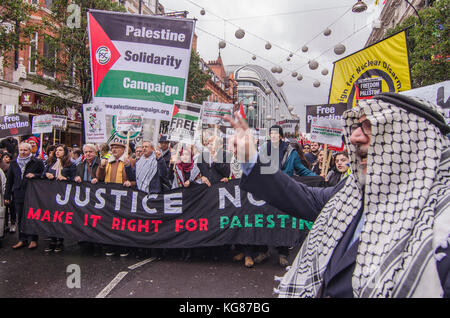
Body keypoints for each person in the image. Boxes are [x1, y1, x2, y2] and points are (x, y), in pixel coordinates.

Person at [226, 93, 450, 298]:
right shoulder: (350, 192)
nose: (354, 137)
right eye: (356, 127)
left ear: (410, 139)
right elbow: (302, 196)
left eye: (368, 127)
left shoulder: (442, 227)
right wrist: (251, 158)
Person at [255, 125, 317, 267]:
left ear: (281, 136)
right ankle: (263, 251)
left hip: (284, 191)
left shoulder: (291, 152)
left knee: (283, 221)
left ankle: (283, 253)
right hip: (268, 191)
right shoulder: (264, 149)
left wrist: (318, 177)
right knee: (264, 221)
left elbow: (301, 170)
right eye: (271, 134)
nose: (273, 136)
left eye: (276, 134)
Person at [96, 142, 135, 257]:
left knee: (122, 222)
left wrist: (130, 182)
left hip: (123, 197)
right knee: (110, 221)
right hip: (109, 197)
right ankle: (111, 245)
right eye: (112, 148)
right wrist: (101, 167)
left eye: (117, 148)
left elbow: (135, 179)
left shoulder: (130, 161)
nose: (114, 150)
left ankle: (123, 245)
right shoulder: (108, 161)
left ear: (123, 149)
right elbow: (100, 178)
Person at [5, 142, 44, 250]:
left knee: (32, 216)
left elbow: (44, 175)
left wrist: (35, 175)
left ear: (30, 151)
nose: (22, 152)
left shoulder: (37, 162)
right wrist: (7, 196)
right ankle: (22, 239)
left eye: (25, 150)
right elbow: (9, 180)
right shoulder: (13, 163)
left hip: (33, 194)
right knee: (21, 217)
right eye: (21, 150)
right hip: (18, 193)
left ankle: (33, 240)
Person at [42, 144, 76, 253]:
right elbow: (43, 174)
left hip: (63, 195)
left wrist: (66, 178)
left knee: (60, 217)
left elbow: (74, 178)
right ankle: (52, 240)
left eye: (60, 150)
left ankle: (60, 241)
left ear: (65, 152)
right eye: (56, 150)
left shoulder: (70, 164)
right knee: (50, 217)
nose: (57, 152)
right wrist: (47, 175)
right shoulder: (50, 163)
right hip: (51, 193)